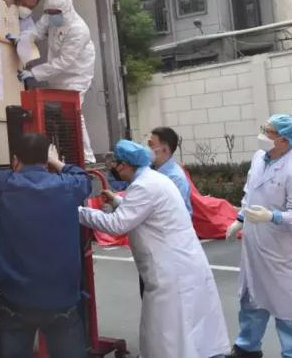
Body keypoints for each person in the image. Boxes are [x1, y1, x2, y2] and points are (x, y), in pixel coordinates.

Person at [79, 140, 229, 358]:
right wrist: (118, 202)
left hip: (170, 269)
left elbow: (117, 224)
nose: (114, 170)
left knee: (166, 333)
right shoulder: (155, 179)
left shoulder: (143, 186)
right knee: (189, 330)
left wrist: (78, 212)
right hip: (182, 262)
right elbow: (146, 212)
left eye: (115, 164)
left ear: (124, 165)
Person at [0, 128, 89, 358]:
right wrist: (57, 161)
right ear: (45, 160)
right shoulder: (69, 186)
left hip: (17, 300)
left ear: (15, 160)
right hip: (62, 298)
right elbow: (84, 177)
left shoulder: (5, 185)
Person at [224, 114, 292, 358]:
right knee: (251, 301)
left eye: (268, 132)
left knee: (290, 312)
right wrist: (240, 219)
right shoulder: (259, 158)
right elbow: (250, 192)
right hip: (256, 249)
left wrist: (272, 217)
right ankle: (247, 348)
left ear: (284, 140)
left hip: (283, 256)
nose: (262, 135)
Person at [15, 0, 96, 164]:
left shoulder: (78, 30)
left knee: (74, 112)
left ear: (66, 9)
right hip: (58, 75)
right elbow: (36, 31)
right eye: (49, 12)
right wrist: (22, 38)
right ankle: (64, 154)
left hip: (77, 74)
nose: (51, 16)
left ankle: (87, 157)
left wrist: (34, 72)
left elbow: (64, 61)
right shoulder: (51, 15)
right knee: (60, 115)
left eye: (55, 13)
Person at [148, 126, 191, 213]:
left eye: (151, 145)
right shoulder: (149, 170)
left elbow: (175, 213)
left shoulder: (176, 179)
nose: (147, 149)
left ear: (165, 149)